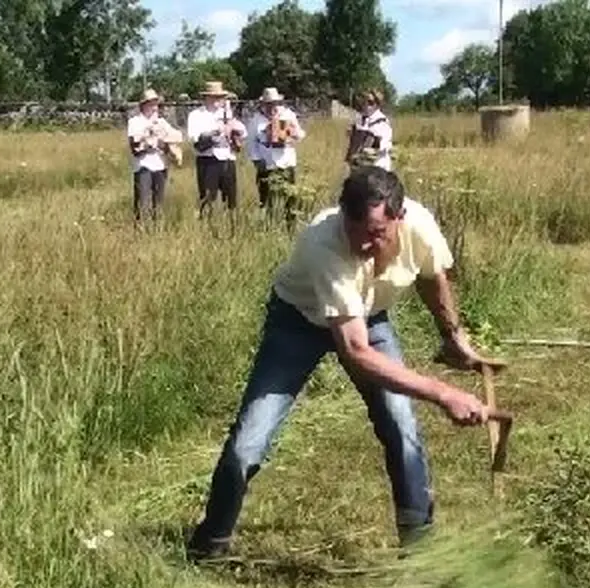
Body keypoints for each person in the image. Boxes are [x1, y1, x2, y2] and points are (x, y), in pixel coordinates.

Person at [186, 166, 503, 561]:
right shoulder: (323, 243)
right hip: (297, 324)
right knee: (249, 441)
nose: (362, 244)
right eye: (355, 230)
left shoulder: (419, 225)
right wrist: (442, 393)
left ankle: (419, 550)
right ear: (342, 214)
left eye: (375, 234)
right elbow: (356, 350)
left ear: (399, 219)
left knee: (400, 424)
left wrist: (452, 335)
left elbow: (430, 275)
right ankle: (209, 544)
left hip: (368, 316)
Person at [247, 87, 307, 225]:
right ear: (263, 104)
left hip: (286, 163)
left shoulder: (288, 115)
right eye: (268, 104)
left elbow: (301, 134)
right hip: (266, 165)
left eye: (274, 103)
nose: (272, 106)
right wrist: (257, 160)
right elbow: (251, 142)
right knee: (267, 200)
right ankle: (269, 227)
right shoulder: (256, 120)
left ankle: (290, 227)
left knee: (290, 199)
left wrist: (292, 134)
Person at [187, 81, 246, 217]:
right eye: (214, 96)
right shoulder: (197, 115)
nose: (217, 100)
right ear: (206, 97)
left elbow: (243, 133)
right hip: (208, 159)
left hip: (227, 158)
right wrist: (215, 131)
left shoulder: (228, 114)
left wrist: (234, 128)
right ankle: (207, 227)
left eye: (219, 97)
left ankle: (231, 226)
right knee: (207, 198)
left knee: (231, 198)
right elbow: (194, 137)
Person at [126, 88, 180, 225]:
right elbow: (135, 145)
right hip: (143, 165)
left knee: (159, 202)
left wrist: (163, 139)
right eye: (151, 104)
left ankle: (157, 230)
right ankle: (140, 231)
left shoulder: (162, 122)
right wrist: (148, 138)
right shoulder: (135, 121)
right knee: (142, 203)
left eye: (156, 104)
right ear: (143, 105)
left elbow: (178, 136)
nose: (155, 107)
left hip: (161, 165)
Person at [345, 89, 394, 171]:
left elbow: (386, 145)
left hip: (377, 168)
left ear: (377, 105)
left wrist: (373, 150)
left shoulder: (382, 123)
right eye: (364, 101)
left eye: (370, 102)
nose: (366, 105)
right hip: (358, 167)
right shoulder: (360, 119)